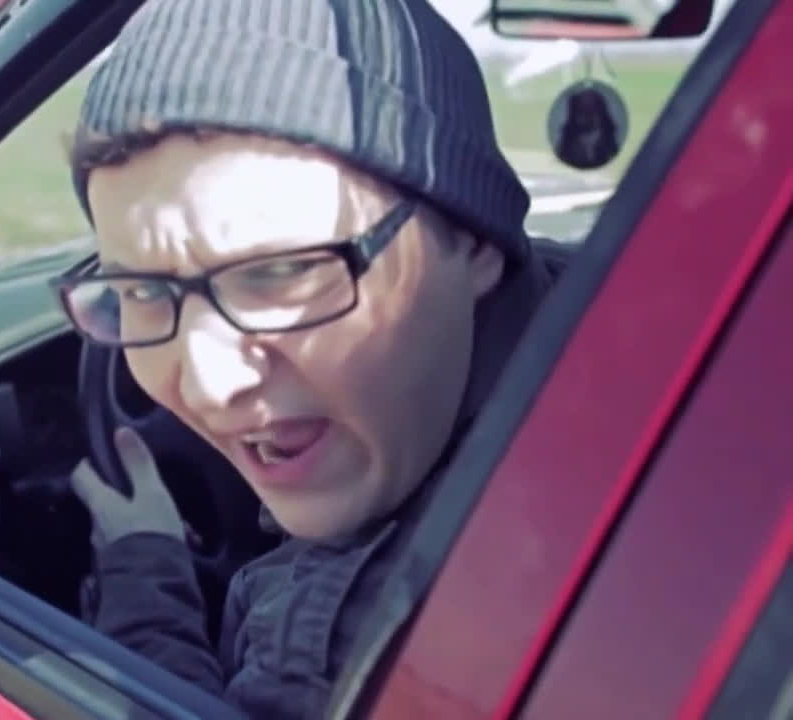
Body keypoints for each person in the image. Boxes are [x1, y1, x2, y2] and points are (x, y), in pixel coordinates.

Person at [54, 0, 565, 717]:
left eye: (279, 272)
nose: (207, 384)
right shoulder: (617, 313)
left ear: (474, 238)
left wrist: (144, 570)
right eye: (141, 290)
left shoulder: (353, 642)